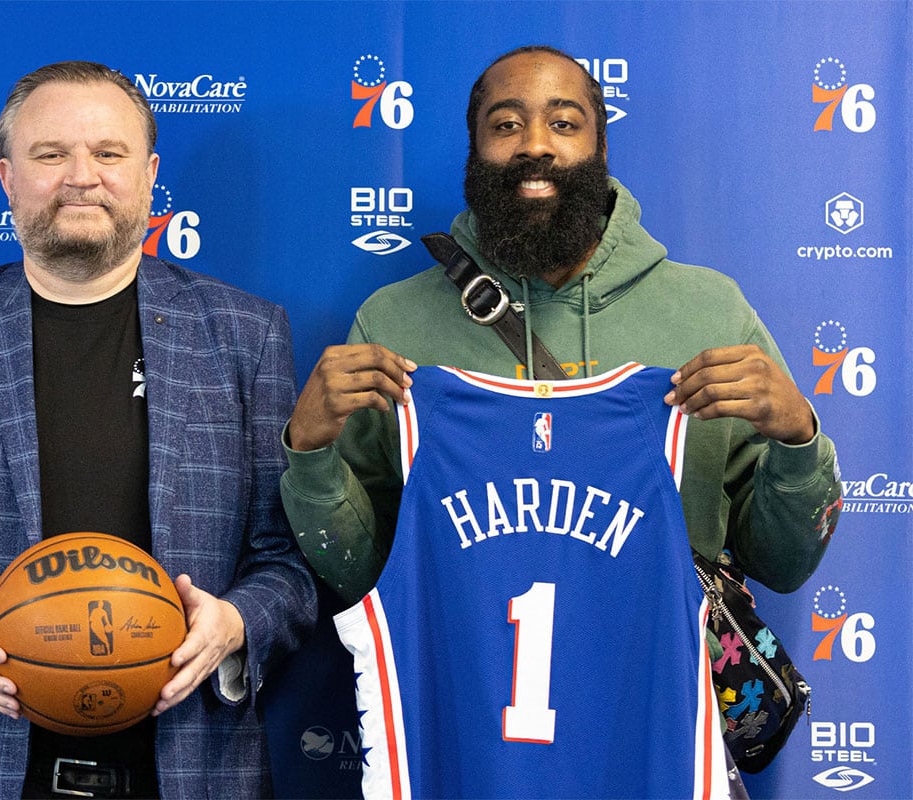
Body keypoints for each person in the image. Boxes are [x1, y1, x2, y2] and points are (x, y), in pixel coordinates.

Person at [280, 46, 840, 795]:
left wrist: (799, 439)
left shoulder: (708, 313)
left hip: (659, 740)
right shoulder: (395, 325)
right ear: (476, 148)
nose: (534, 143)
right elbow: (369, 573)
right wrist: (311, 457)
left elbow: (785, 562)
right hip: (465, 742)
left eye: (564, 122)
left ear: (599, 146)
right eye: (505, 124)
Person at [0, 61, 315, 800]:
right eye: (51, 155)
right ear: (9, 178)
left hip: (192, 772)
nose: (83, 177)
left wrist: (233, 624)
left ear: (149, 176)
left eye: (109, 153)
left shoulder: (246, 337)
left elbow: (291, 566)